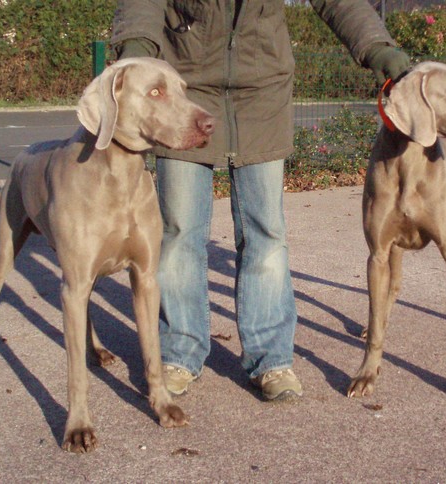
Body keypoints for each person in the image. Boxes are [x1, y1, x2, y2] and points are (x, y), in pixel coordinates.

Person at [111, 0, 409, 401]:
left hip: (263, 91)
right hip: (185, 88)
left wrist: (377, 47)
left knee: (265, 233)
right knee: (179, 231)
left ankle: (270, 358)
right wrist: (135, 48)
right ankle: (179, 351)